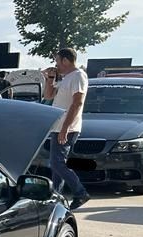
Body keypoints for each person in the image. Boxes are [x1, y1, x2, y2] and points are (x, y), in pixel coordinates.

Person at [44, 48, 90, 210]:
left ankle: (80, 192)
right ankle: (56, 196)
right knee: (57, 165)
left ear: (65, 60)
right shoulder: (66, 78)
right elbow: (48, 96)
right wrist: (49, 78)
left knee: (57, 163)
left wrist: (65, 128)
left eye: (57, 61)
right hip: (58, 127)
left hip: (68, 128)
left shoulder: (78, 76)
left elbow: (77, 103)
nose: (56, 64)